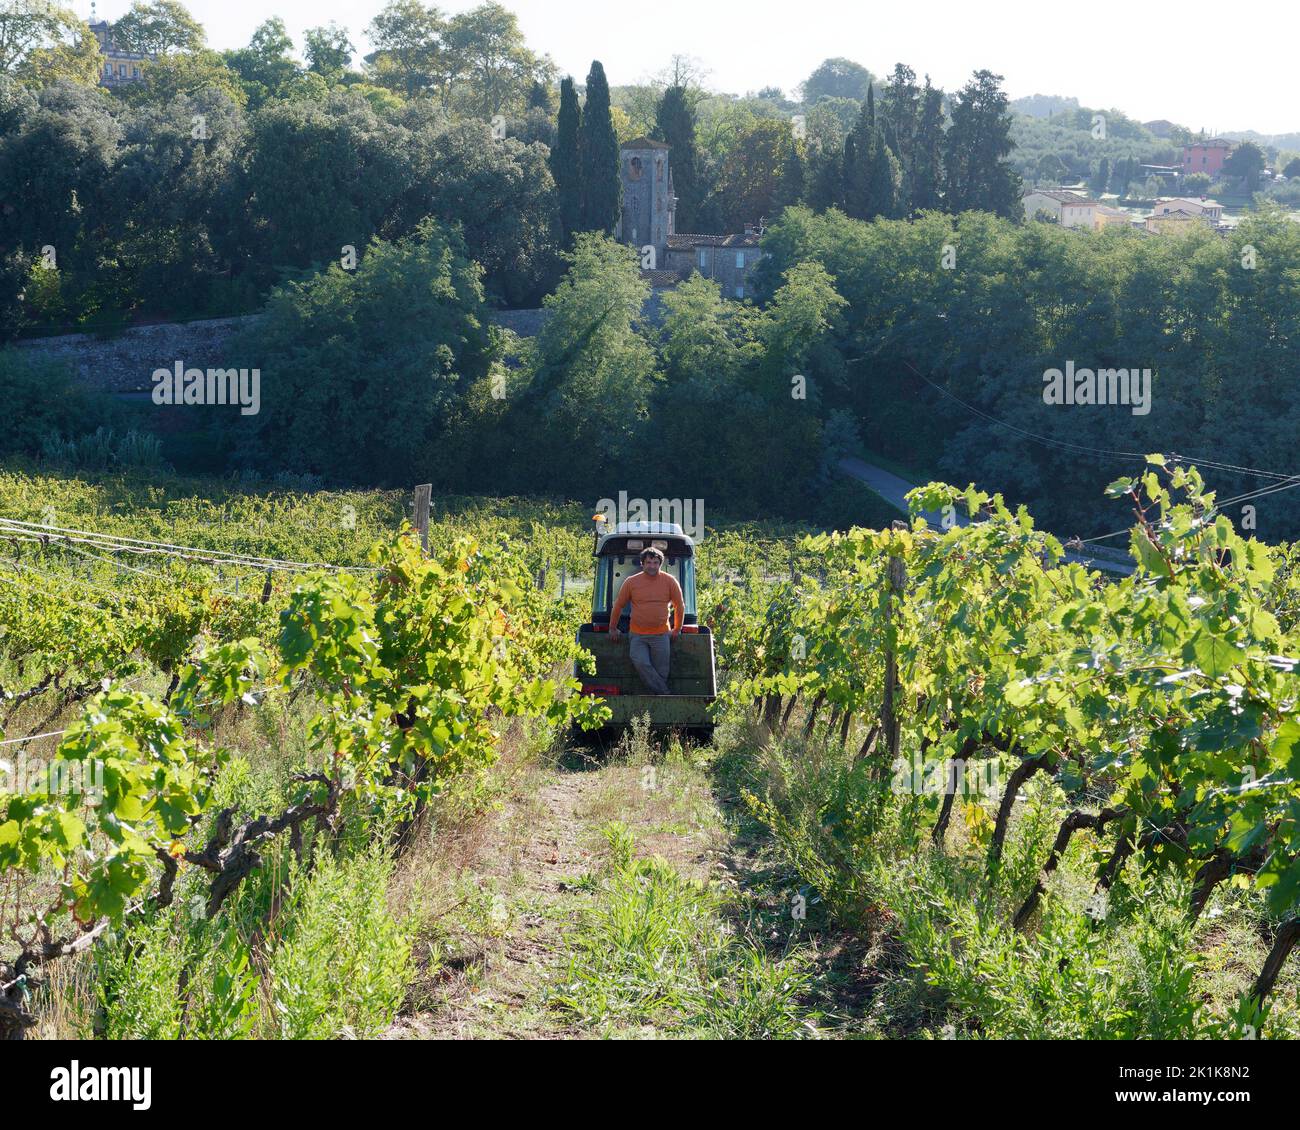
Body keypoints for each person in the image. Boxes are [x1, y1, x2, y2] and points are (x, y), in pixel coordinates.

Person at [608, 547, 683, 695]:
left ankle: (654, 703)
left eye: (655, 562)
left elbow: (679, 605)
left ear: (660, 564)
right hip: (638, 635)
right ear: (642, 563)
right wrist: (612, 628)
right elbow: (618, 605)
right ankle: (665, 695)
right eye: (649, 562)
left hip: (661, 635)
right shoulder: (631, 582)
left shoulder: (669, 581)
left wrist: (677, 628)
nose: (652, 566)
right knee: (640, 662)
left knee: (662, 672)